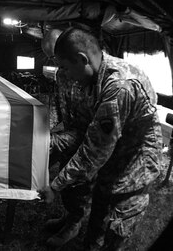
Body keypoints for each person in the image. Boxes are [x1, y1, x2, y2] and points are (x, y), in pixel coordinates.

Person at [42, 27, 162, 250]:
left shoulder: (119, 87)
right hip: (114, 152)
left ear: (82, 59)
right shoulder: (97, 75)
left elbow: (95, 149)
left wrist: (55, 186)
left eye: (67, 68)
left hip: (135, 163)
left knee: (117, 228)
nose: (66, 75)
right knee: (99, 208)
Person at [41, 28, 95, 247]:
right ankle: (70, 215)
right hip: (70, 131)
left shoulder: (92, 74)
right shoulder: (61, 73)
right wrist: (49, 126)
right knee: (65, 171)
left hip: (89, 137)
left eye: (57, 55)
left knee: (79, 182)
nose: (55, 61)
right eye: (51, 58)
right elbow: (56, 102)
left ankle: (75, 222)